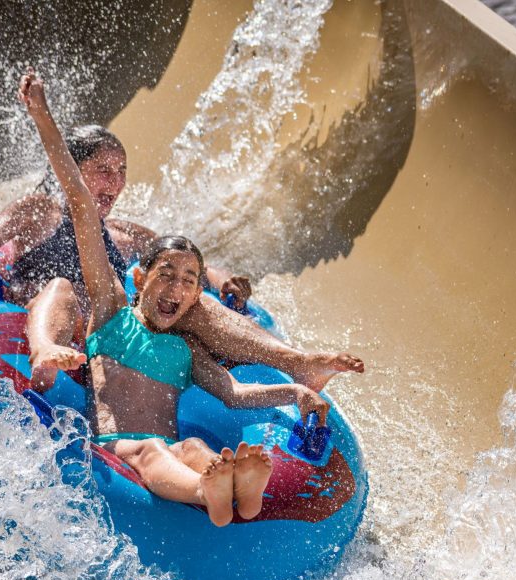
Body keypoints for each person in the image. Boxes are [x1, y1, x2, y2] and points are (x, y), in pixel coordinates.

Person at [19, 69, 338, 527]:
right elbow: (81, 204)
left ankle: (238, 493)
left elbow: (233, 393)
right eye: (165, 275)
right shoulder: (110, 313)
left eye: (189, 282)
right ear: (138, 279)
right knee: (154, 452)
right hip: (119, 446)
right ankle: (205, 491)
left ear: (196, 296)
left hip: (169, 447)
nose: (175, 288)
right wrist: (42, 115)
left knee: (194, 449)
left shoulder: (186, 349)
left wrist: (296, 391)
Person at [0, 128, 363, 394]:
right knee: (64, 288)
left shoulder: (123, 234)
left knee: (191, 304)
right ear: (72, 171)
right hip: (58, 323)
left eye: (122, 171)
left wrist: (221, 280)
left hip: (112, 338)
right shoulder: (40, 211)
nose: (115, 181)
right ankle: (46, 363)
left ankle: (298, 363)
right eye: (103, 168)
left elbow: (181, 261)